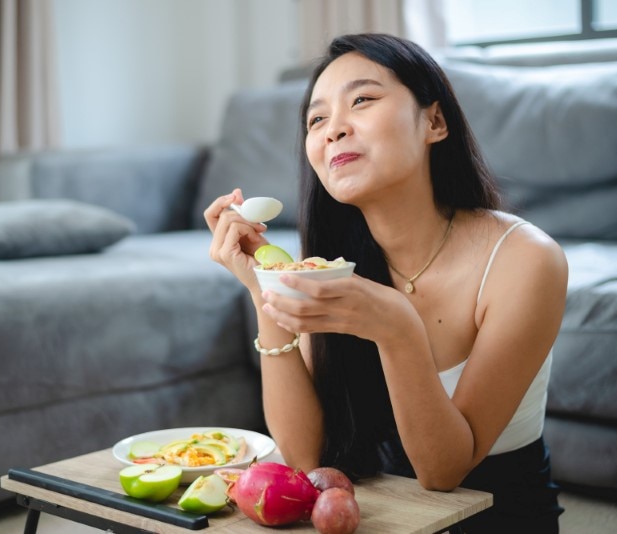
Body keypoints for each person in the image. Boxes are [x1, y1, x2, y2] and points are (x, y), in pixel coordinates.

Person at [204, 33, 567, 533]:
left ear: (434, 122)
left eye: (362, 100)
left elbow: (444, 473)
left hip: (495, 516)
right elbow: (306, 458)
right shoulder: (333, 265)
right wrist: (265, 289)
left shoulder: (525, 259)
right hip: (380, 516)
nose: (333, 130)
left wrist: (398, 327)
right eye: (316, 120)